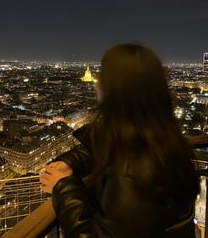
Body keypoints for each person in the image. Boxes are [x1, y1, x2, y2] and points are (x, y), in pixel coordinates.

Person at [40, 43, 200, 237]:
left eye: (102, 79)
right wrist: (71, 162)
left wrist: (62, 187)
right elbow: (112, 142)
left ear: (114, 90)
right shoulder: (162, 138)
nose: (96, 85)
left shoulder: (130, 174)